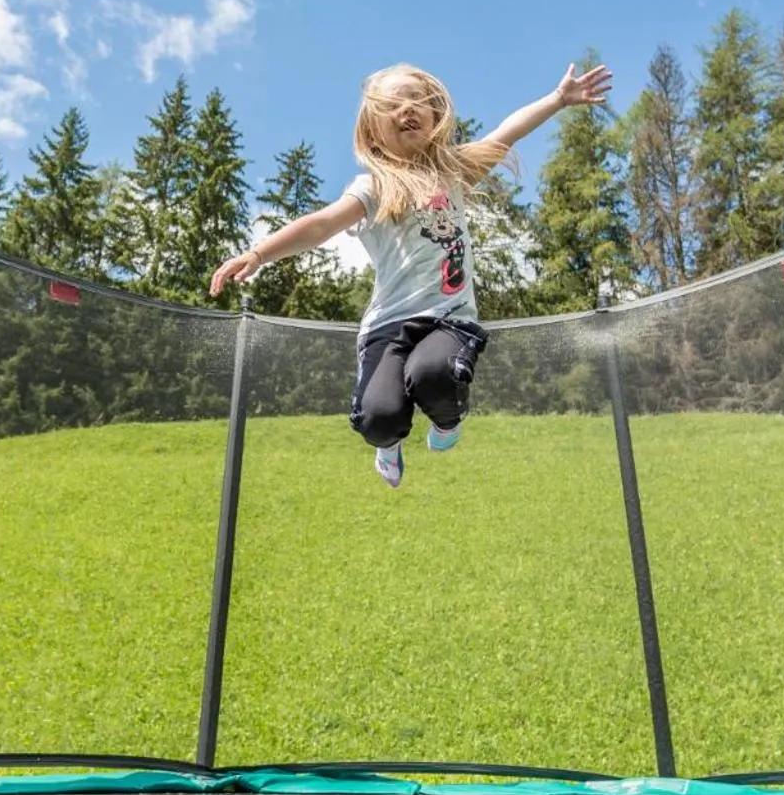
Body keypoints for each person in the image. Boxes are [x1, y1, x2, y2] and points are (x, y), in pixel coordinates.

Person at [208, 61, 612, 486]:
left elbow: (505, 134)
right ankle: (389, 444)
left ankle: (447, 422)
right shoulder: (373, 187)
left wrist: (557, 99)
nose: (408, 109)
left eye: (418, 100)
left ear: (436, 114)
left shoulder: (452, 172)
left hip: (449, 318)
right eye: (394, 104)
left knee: (435, 374)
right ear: (371, 130)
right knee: (378, 417)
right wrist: (259, 253)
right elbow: (323, 224)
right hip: (388, 325)